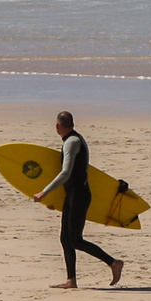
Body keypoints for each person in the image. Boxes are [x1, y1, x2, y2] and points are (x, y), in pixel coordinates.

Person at [32, 111, 123, 289]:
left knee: (75, 239)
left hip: (79, 196)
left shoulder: (72, 142)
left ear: (58, 126)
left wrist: (45, 192)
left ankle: (114, 263)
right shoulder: (74, 139)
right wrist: (56, 201)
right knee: (65, 238)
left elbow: (66, 173)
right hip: (72, 195)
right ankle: (71, 280)